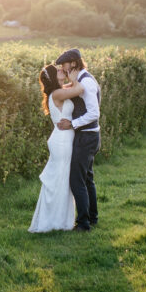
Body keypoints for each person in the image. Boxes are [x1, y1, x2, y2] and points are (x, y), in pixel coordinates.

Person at [28, 64, 85, 232]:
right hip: (62, 141)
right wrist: (74, 80)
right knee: (60, 180)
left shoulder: (58, 91)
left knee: (63, 180)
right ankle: (54, 222)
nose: (62, 70)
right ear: (53, 77)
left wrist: (69, 82)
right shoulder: (58, 94)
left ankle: (59, 221)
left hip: (63, 139)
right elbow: (80, 88)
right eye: (58, 70)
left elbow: (71, 88)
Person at [55, 48, 101, 232]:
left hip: (86, 137)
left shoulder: (86, 83)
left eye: (64, 65)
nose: (63, 68)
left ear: (73, 63)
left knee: (77, 180)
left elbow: (94, 113)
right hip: (90, 136)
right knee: (87, 178)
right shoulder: (81, 80)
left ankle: (83, 223)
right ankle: (92, 217)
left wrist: (73, 124)